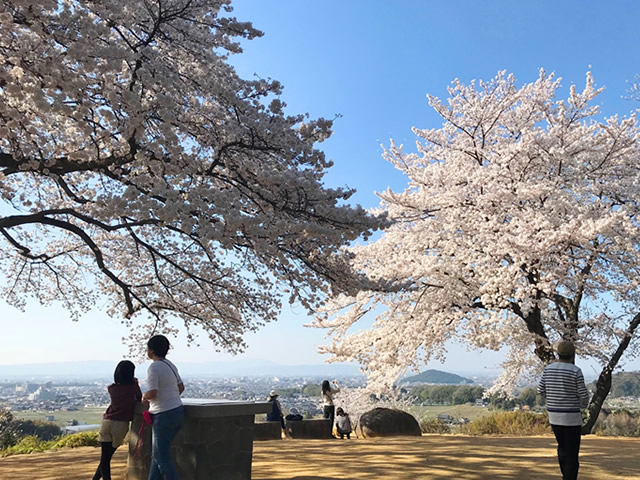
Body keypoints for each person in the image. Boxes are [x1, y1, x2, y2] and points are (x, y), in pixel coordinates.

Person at [537, 340, 589, 480]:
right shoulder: (575, 371)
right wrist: (583, 405)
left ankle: (565, 475)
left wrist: (551, 399)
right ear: (572, 354)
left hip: (554, 416)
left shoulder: (548, 369)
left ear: (558, 354)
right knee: (572, 452)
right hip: (571, 418)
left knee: (562, 447)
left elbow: (540, 390)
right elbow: (583, 395)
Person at [141, 335, 185, 480]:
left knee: (162, 457)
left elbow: (153, 393)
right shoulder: (170, 365)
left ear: (151, 351)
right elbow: (181, 387)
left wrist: (144, 396)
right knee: (158, 455)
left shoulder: (154, 367)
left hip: (162, 414)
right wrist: (170, 396)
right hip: (177, 411)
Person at [93, 360, 142, 480]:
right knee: (106, 458)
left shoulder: (112, 388)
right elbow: (139, 397)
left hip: (107, 421)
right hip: (120, 424)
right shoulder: (132, 387)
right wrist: (135, 383)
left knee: (104, 459)